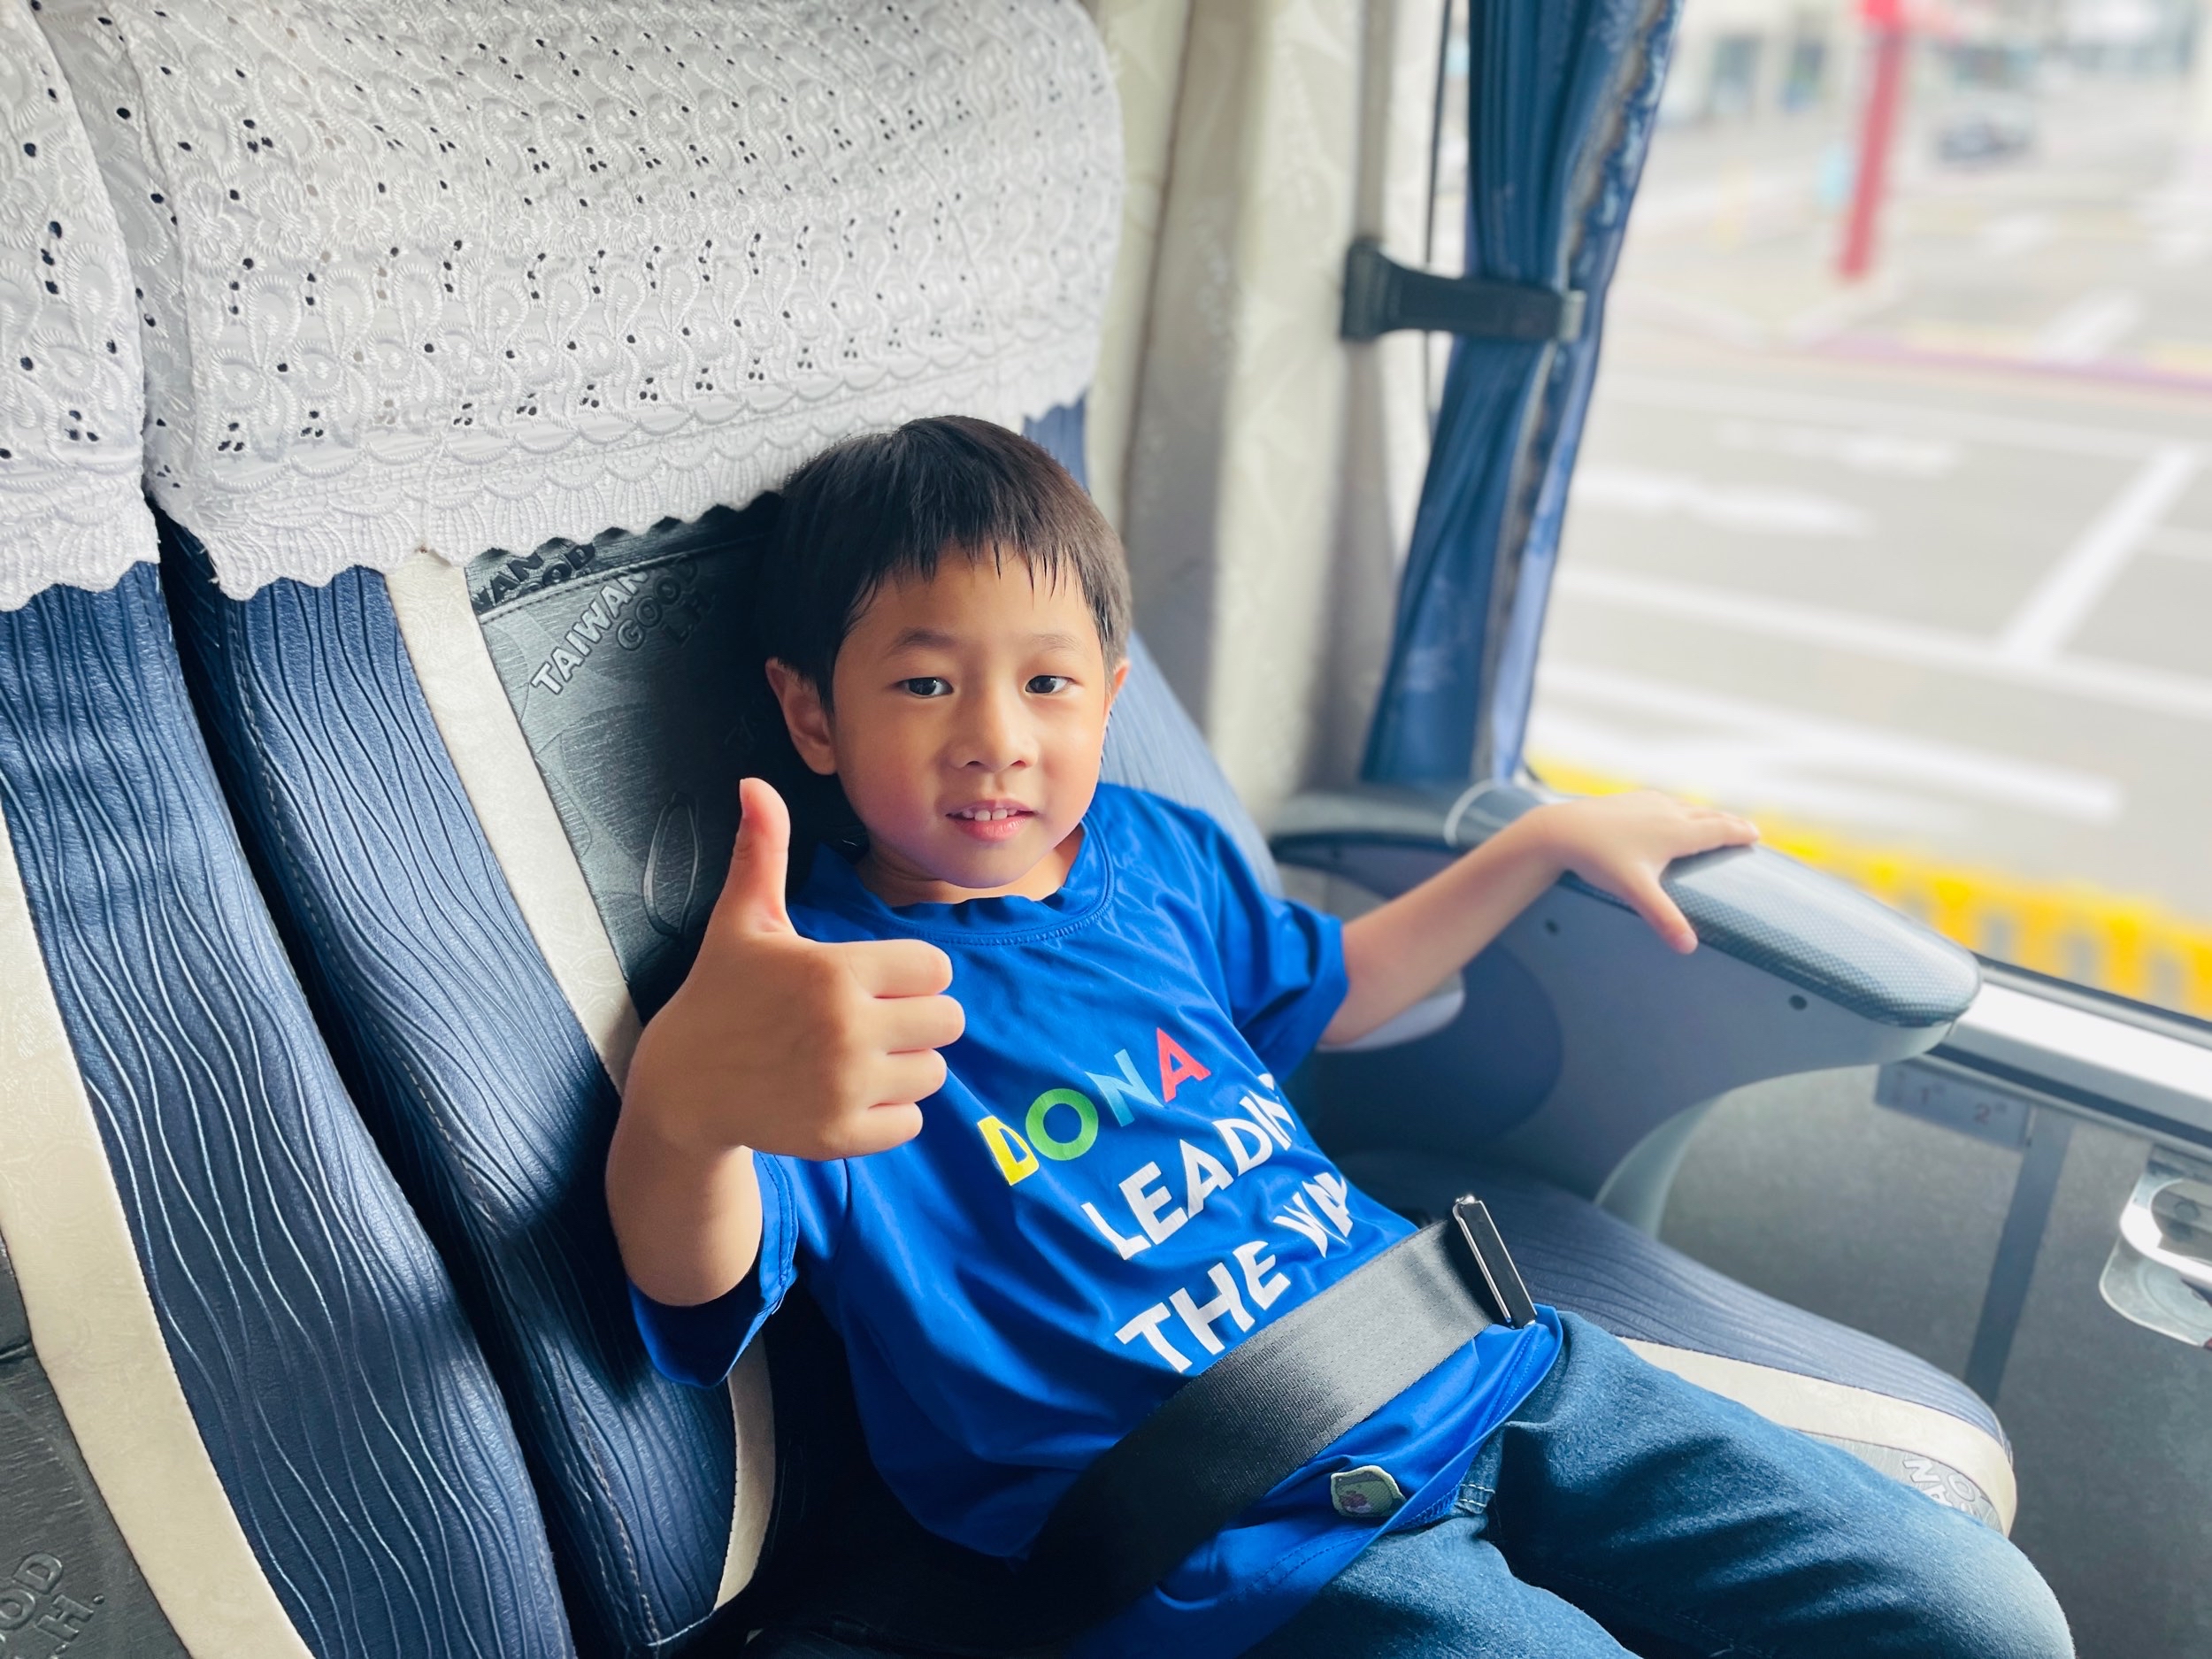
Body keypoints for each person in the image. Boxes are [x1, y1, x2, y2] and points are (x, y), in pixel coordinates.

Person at [606, 417, 2071, 1659]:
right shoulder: (813, 1004)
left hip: (1487, 1369)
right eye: (927, 683)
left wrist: (1538, 846)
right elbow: (691, 1280)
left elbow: (1348, 985)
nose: (997, 734)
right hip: (1246, 1535)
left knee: (1982, 1615)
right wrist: (686, 1108)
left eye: (1047, 682)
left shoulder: (1153, 857)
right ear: (812, 714)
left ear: (1109, 699)